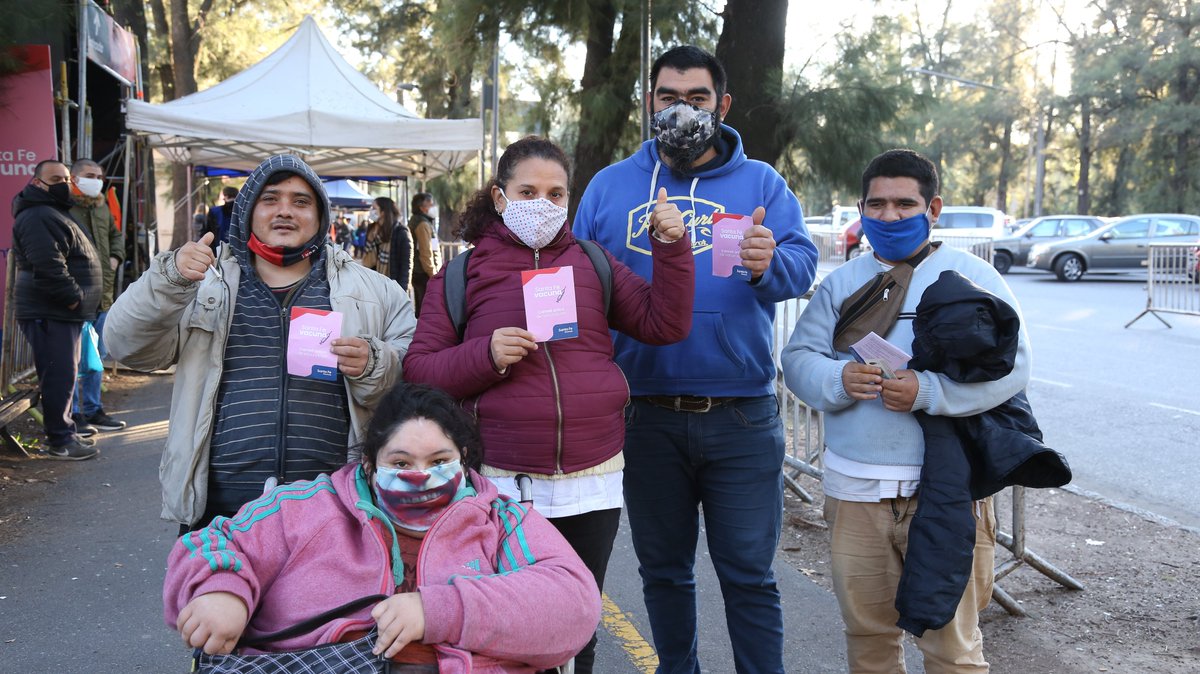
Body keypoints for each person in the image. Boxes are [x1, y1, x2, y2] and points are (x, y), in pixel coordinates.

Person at [403, 135, 694, 674]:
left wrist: (671, 249)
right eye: (528, 190)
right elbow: (419, 371)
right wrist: (484, 355)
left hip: (593, 477)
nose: (543, 203)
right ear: (499, 197)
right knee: (507, 625)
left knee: (578, 619)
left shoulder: (593, 262)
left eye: (556, 194)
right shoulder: (462, 274)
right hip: (503, 483)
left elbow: (665, 323)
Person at [572, 45, 819, 673]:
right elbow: (577, 281)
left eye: (698, 98)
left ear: (723, 104)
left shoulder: (761, 182)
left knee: (748, 575)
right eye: (667, 96)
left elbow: (802, 265)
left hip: (741, 416)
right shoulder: (609, 186)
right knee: (663, 572)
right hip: (644, 417)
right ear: (649, 103)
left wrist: (770, 264)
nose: (682, 110)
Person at [781, 149, 1027, 672]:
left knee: (952, 650)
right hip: (855, 492)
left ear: (932, 207)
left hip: (946, 493)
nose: (888, 216)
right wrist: (838, 378)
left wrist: (929, 392)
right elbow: (799, 356)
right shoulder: (840, 283)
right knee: (868, 641)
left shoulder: (973, 277)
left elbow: (1015, 369)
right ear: (861, 208)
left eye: (903, 203)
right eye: (877, 204)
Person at [164, 382, 601, 673]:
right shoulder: (309, 506)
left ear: (463, 460)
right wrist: (221, 591)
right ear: (371, 465)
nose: (420, 475)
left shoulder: (502, 522)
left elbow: (575, 602)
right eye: (401, 462)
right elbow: (213, 541)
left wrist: (439, 611)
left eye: (438, 461)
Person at [105, 154, 416, 531]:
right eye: (270, 199)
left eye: (301, 201)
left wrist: (375, 363)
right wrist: (167, 280)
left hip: (336, 507)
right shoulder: (203, 283)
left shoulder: (374, 292)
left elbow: (413, 371)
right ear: (248, 212)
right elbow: (125, 345)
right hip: (220, 509)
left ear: (320, 217)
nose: (285, 210)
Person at [11, 159, 102, 460]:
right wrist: (74, 298)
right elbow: (48, 265)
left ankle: (65, 433)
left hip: (61, 311)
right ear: (37, 183)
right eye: (56, 179)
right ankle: (60, 440)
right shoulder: (38, 215)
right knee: (58, 375)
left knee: (64, 374)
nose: (64, 183)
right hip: (51, 310)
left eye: (66, 178)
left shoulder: (53, 212)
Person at [69, 158, 127, 434]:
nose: (97, 180)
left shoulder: (102, 205)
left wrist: (116, 257)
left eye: (100, 176)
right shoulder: (64, 207)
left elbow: (117, 236)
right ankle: (75, 414)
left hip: (104, 295)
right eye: (90, 175)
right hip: (77, 296)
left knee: (96, 358)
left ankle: (92, 409)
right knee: (80, 360)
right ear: (74, 178)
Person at [365, 196, 414, 293]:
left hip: (393, 287)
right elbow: (368, 261)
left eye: (374, 208)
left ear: (383, 212)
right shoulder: (372, 231)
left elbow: (406, 265)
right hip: (375, 286)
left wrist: (402, 291)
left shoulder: (401, 232)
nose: (371, 211)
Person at [407, 192, 441, 317]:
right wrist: (433, 273)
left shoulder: (420, 221)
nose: (433, 207)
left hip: (420, 271)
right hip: (423, 273)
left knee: (421, 306)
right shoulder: (422, 224)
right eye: (430, 204)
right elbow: (425, 252)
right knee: (425, 309)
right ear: (422, 207)